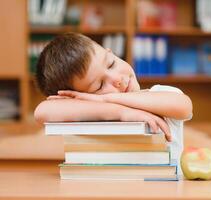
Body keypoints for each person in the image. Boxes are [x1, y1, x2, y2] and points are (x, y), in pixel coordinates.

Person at [34, 33, 193, 175]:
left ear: (111, 52)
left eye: (111, 64)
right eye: (99, 86)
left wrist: (105, 98)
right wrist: (123, 113)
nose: (117, 79)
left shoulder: (159, 94)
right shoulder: (92, 110)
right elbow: (42, 111)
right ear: (82, 97)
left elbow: (184, 106)